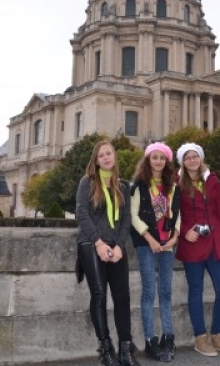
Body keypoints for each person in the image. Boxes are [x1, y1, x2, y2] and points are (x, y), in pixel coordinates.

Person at [76, 140, 140, 366]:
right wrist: (99, 243)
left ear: (114, 157)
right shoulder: (87, 182)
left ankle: (125, 348)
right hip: (91, 243)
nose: (105, 157)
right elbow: (82, 214)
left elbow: (126, 220)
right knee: (100, 295)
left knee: (123, 297)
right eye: (101, 155)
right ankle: (105, 348)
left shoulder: (122, 186)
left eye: (109, 153)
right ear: (96, 160)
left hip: (116, 245)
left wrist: (120, 246)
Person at [175, 142, 220, 357]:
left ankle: (218, 335)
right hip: (192, 243)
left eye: (195, 156)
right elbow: (173, 214)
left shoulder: (213, 180)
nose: (192, 160)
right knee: (196, 291)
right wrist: (185, 231)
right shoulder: (176, 182)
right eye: (187, 157)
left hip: (215, 242)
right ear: (183, 162)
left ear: (201, 158)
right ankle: (200, 338)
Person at [130, 142, 181, 362]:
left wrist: (175, 237)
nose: (158, 161)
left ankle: (168, 337)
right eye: (154, 157)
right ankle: (150, 340)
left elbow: (177, 213)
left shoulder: (173, 186)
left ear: (167, 161)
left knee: (166, 292)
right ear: (148, 160)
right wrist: (149, 239)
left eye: (162, 158)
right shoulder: (138, 186)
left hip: (168, 244)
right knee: (149, 292)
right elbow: (133, 216)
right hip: (146, 244)